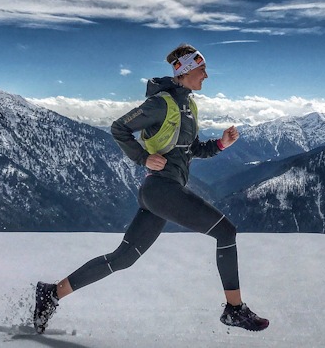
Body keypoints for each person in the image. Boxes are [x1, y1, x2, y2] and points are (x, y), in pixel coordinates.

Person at [33, 44, 269, 334]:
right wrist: (142, 157)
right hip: (161, 190)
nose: (206, 75)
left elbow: (191, 149)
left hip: (160, 194)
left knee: (123, 257)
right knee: (226, 232)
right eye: (201, 69)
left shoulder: (189, 105)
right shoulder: (161, 103)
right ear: (184, 71)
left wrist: (220, 144)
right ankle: (234, 310)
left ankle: (51, 294)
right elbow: (119, 127)